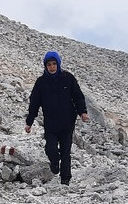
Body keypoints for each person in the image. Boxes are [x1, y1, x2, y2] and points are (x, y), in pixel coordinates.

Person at [24, 51, 89, 185]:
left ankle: (65, 180)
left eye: (54, 64)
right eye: (49, 64)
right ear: (45, 66)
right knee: (51, 149)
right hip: (51, 124)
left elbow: (77, 96)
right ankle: (54, 163)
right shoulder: (41, 82)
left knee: (66, 151)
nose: (52, 67)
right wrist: (29, 122)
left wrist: (82, 112)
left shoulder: (68, 78)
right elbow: (34, 103)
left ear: (58, 64)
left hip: (67, 122)